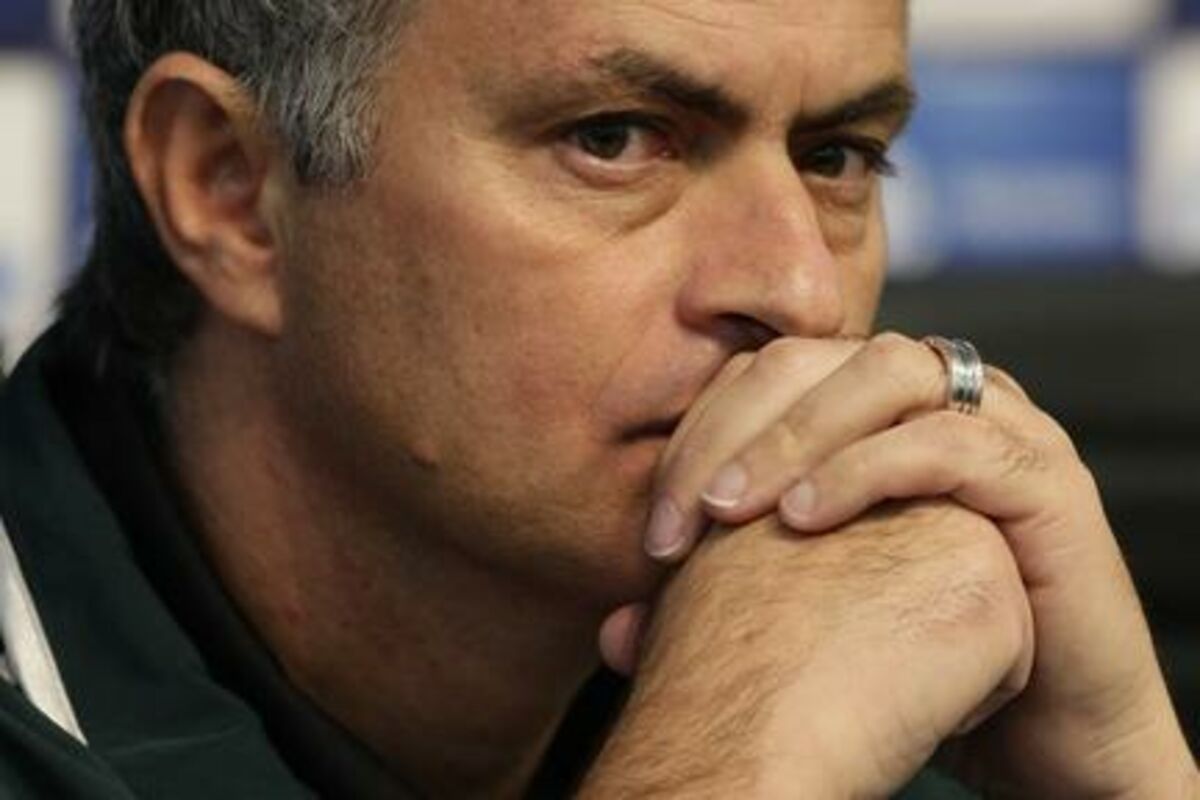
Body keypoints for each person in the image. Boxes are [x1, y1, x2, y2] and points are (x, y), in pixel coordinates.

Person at [0, 0, 1194, 797]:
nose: (799, 290)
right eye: (616, 139)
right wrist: (729, 768)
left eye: (836, 157)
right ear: (231, 190)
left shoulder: (893, 667)